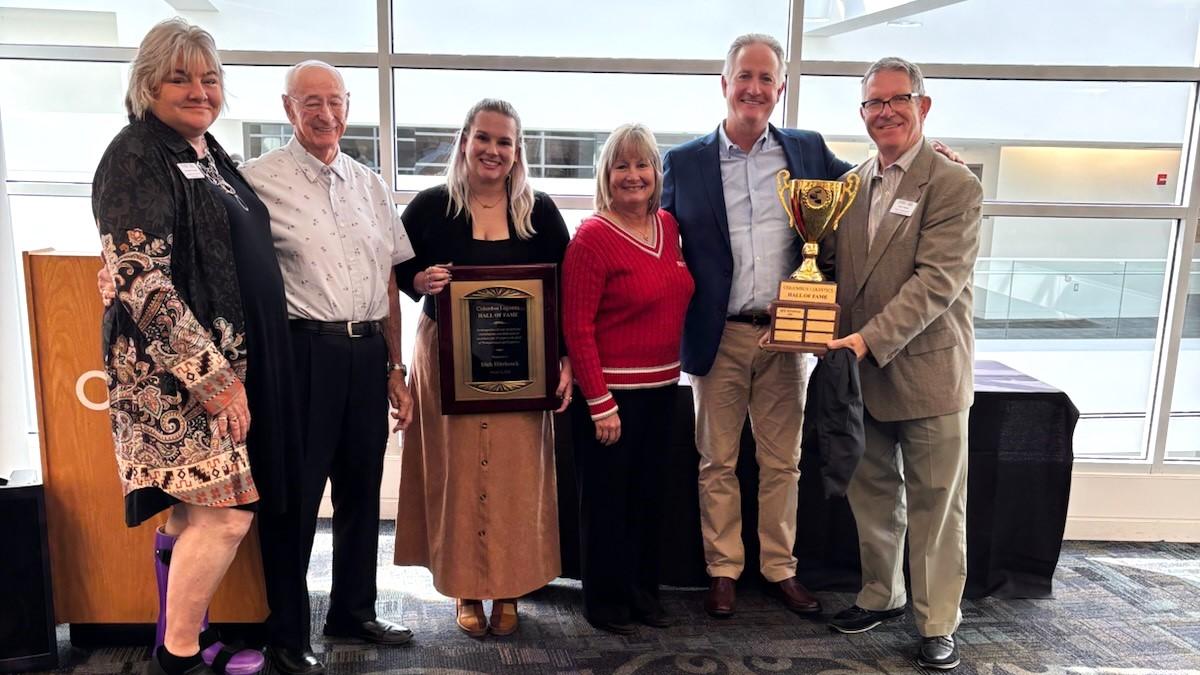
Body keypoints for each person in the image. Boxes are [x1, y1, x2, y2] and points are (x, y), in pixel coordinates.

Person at [93, 19, 293, 675]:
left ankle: (184, 636)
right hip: (178, 379)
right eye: (180, 77)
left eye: (209, 78)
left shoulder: (209, 152)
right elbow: (141, 279)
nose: (198, 90)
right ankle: (178, 654)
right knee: (227, 516)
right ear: (148, 83)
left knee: (193, 512)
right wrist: (215, 380)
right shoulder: (135, 156)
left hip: (228, 366)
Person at [660, 33, 853, 619]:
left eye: (767, 78)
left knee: (783, 461)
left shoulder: (808, 150)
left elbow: (868, 182)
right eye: (745, 76)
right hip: (717, 336)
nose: (755, 88)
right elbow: (660, 238)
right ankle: (723, 569)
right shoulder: (684, 161)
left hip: (787, 335)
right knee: (717, 460)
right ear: (724, 84)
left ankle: (780, 569)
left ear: (781, 88)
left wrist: (929, 153)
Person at [239, 61, 416, 675]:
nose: (324, 113)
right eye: (310, 101)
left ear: (349, 106)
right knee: (294, 497)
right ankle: (286, 634)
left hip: (367, 353)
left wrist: (397, 366)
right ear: (288, 108)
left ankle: (353, 610)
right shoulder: (254, 182)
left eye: (334, 101)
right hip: (300, 355)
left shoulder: (369, 183)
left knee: (362, 490)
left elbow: (389, 279)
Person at [824, 57, 982, 671]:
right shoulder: (853, 183)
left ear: (923, 105)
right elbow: (836, 272)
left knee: (937, 506)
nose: (885, 111)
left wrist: (863, 339)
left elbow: (935, 283)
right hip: (863, 372)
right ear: (862, 113)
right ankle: (881, 595)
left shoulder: (953, 184)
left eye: (897, 99)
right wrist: (808, 321)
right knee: (874, 494)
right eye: (873, 103)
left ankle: (938, 621)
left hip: (929, 373)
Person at [393, 98, 572, 638]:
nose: (493, 150)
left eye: (505, 141)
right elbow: (398, 270)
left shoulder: (540, 211)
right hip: (447, 360)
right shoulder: (428, 207)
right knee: (458, 472)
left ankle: (511, 586)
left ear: (517, 152)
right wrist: (420, 282)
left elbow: (562, 289)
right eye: (484, 138)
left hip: (525, 365)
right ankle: (467, 588)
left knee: (518, 478)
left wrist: (564, 358)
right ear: (464, 141)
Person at [562, 124, 694, 635]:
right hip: (610, 396)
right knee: (606, 505)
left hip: (663, 391)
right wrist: (599, 401)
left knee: (649, 501)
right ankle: (606, 603)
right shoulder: (592, 239)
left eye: (643, 165)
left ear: (656, 173)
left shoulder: (670, 226)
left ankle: (644, 595)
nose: (634, 176)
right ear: (607, 175)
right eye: (622, 166)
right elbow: (577, 326)